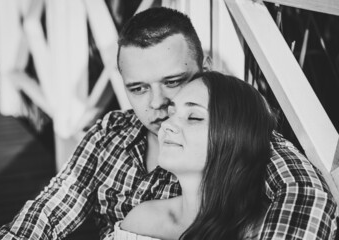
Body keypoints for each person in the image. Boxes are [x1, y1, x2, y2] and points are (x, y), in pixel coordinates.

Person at [0, 7, 337, 240]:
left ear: (205, 66)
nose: (157, 105)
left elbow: (305, 193)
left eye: (173, 82)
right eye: (138, 88)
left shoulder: (231, 132)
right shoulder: (109, 133)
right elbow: (51, 208)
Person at [105, 71, 276, 240]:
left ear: (237, 135)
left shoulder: (268, 229)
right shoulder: (143, 221)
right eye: (171, 113)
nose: (167, 125)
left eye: (193, 117)